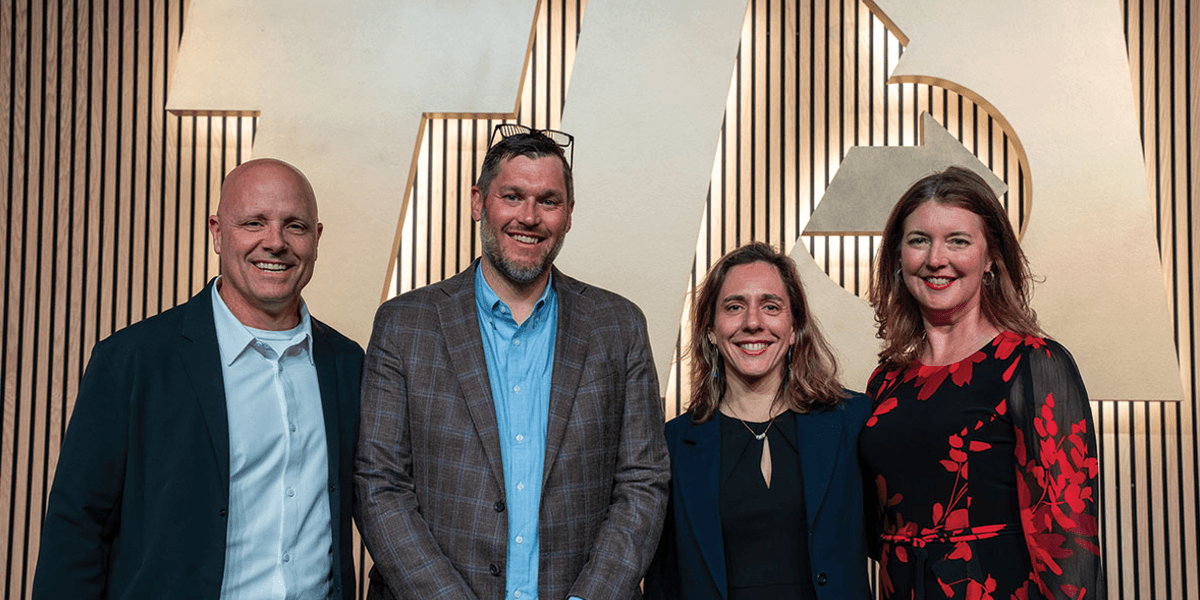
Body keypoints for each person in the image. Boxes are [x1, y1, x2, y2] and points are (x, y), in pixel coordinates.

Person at [355, 125, 670, 600]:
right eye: (513, 196)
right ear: (479, 202)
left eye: (548, 201)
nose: (530, 216)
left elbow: (642, 483)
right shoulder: (405, 326)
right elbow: (379, 483)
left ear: (568, 215)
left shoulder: (618, 326)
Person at [32, 158, 364, 600]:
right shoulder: (131, 361)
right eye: (253, 222)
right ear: (216, 233)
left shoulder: (347, 364)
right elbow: (76, 528)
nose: (275, 242)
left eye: (295, 226)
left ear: (316, 240)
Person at [860, 166, 1106, 599]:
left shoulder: (1033, 364)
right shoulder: (885, 383)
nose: (937, 259)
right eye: (919, 240)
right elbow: (873, 530)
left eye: (958, 240)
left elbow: (1068, 541)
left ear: (990, 257)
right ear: (899, 258)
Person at [645, 242, 873, 600]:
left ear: (795, 326)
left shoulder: (851, 422)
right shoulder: (673, 443)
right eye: (735, 307)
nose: (753, 322)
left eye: (771, 306)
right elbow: (662, 582)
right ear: (710, 331)